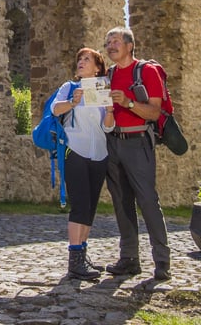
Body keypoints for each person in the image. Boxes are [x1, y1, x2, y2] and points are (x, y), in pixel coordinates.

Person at [104, 26, 171, 281]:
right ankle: (129, 258)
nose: (111, 46)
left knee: (147, 201)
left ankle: (162, 261)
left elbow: (154, 112)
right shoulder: (107, 75)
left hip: (138, 141)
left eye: (116, 41)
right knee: (121, 203)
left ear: (130, 45)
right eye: (108, 42)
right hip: (113, 142)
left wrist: (128, 103)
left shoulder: (146, 71)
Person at [50, 47, 116, 280]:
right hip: (74, 150)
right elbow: (54, 109)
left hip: (99, 153)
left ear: (98, 68)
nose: (81, 62)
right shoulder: (69, 88)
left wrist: (109, 111)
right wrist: (71, 102)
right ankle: (74, 260)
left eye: (86, 59)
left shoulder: (103, 90)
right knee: (79, 204)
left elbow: (108, 127)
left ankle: (83, 254)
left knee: (90, 206)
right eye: (79, 59)